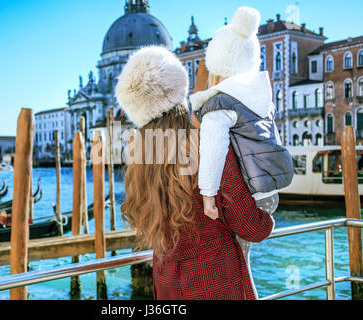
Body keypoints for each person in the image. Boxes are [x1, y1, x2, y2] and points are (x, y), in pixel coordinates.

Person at [115, 45, 274, 300]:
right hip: (214, 283)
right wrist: (268, 214)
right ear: (179, 91)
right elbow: (252, 228)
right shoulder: (207, 146)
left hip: (167, 282)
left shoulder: (139, 162)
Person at [189, 7, 294, 298]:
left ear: (218, 67)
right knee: (243, 262)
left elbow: (214, 150)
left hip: (249, 197)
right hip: (269, 193)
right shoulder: (261, 97)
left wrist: (207, 195)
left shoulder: (219, 105)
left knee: (238, 265)